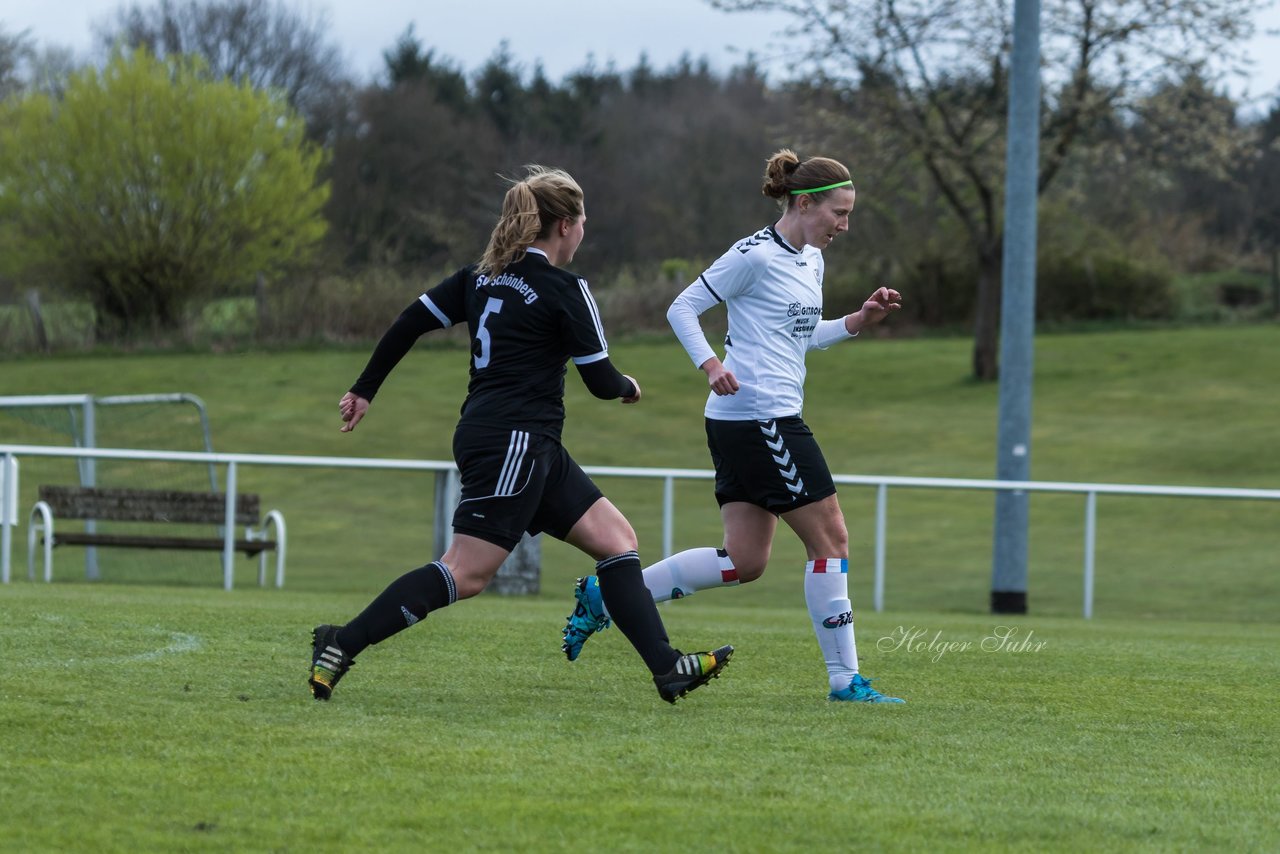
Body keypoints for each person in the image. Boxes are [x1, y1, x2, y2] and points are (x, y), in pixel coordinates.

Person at [309, 165, 733, 704]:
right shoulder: (564, 287)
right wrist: (630, 386)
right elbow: (601, 382)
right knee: (465, 573)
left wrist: (365, 388)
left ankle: (668, 668)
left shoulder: (479, 277)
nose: (584, 232)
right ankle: (342, 643)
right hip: (515, 442)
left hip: (520, 441)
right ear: (563, 226)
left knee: (617, 541)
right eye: (583, 222)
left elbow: (409, 321)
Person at [561, 149, 904, 703]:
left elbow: (802, 335)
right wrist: (711, 365)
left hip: (747, 420)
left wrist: (858, 321)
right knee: (832, 539)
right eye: (839, 212)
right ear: (805, 202)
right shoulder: (753, 255)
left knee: (745, 561)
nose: (845, 224)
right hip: (761, 417)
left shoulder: (811, 258)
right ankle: (845, 681)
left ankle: (606, 594)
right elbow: (682, 307)